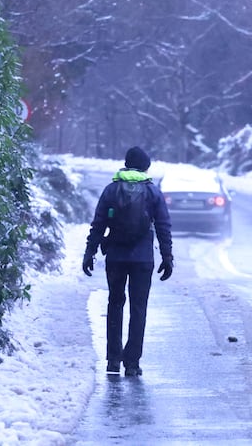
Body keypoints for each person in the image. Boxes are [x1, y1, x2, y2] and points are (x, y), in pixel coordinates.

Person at [82, 146, 173, 377]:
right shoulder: (152, 192)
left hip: (116, 256)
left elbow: (99, 223)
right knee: (138, 309)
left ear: (126, 163)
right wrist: (167, 256)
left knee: (115, 304)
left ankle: (113, 360)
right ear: (146, 166)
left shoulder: (111, 190)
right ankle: (132, 363)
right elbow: (163, 226)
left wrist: (90, 252)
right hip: (143, 259)